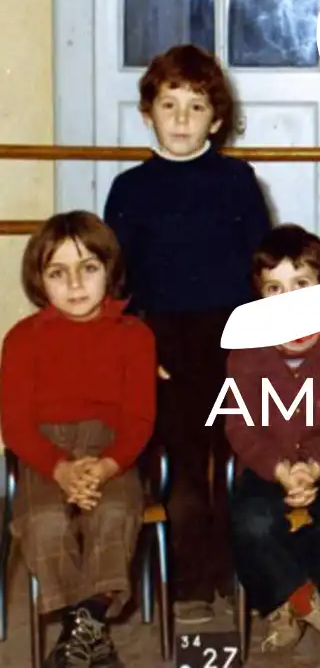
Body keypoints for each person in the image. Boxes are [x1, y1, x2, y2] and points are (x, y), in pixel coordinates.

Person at [104, 44, 271, 623]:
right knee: (182, 461)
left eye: (195, 106)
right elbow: (117, 282)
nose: (180, 118)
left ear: (216, 119)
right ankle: (191, 581)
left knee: (238, 456)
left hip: (231, 334)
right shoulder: (130, 189)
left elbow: (260, 267)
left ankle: (243, 570)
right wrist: (135, 349)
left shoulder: (237, 180)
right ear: (147, 112)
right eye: (168, 105)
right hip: (161, 341)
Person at [0, 211, 156, 668]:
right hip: (45, 455)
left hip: (113, 452)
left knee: (115, 513)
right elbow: (15, 424)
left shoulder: (135, 336)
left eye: (88, 268)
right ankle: (91, 632)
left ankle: (81, 627)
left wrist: (106, 466)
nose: (74, 284)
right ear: (38, 279)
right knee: (44, 520)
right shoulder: (22, 339)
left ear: (110, 269)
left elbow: (139, 420)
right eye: (57, 272)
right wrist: (60, 468)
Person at [224, 226, 320, 657]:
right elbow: (240, 425)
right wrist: (280, 469)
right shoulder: (247, 348)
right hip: (267, 467)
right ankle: (312, 605)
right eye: (274, 288)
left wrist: (314, 467)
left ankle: (295, 599)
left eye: (301, 284)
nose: (288, 298)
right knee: (250, 522)